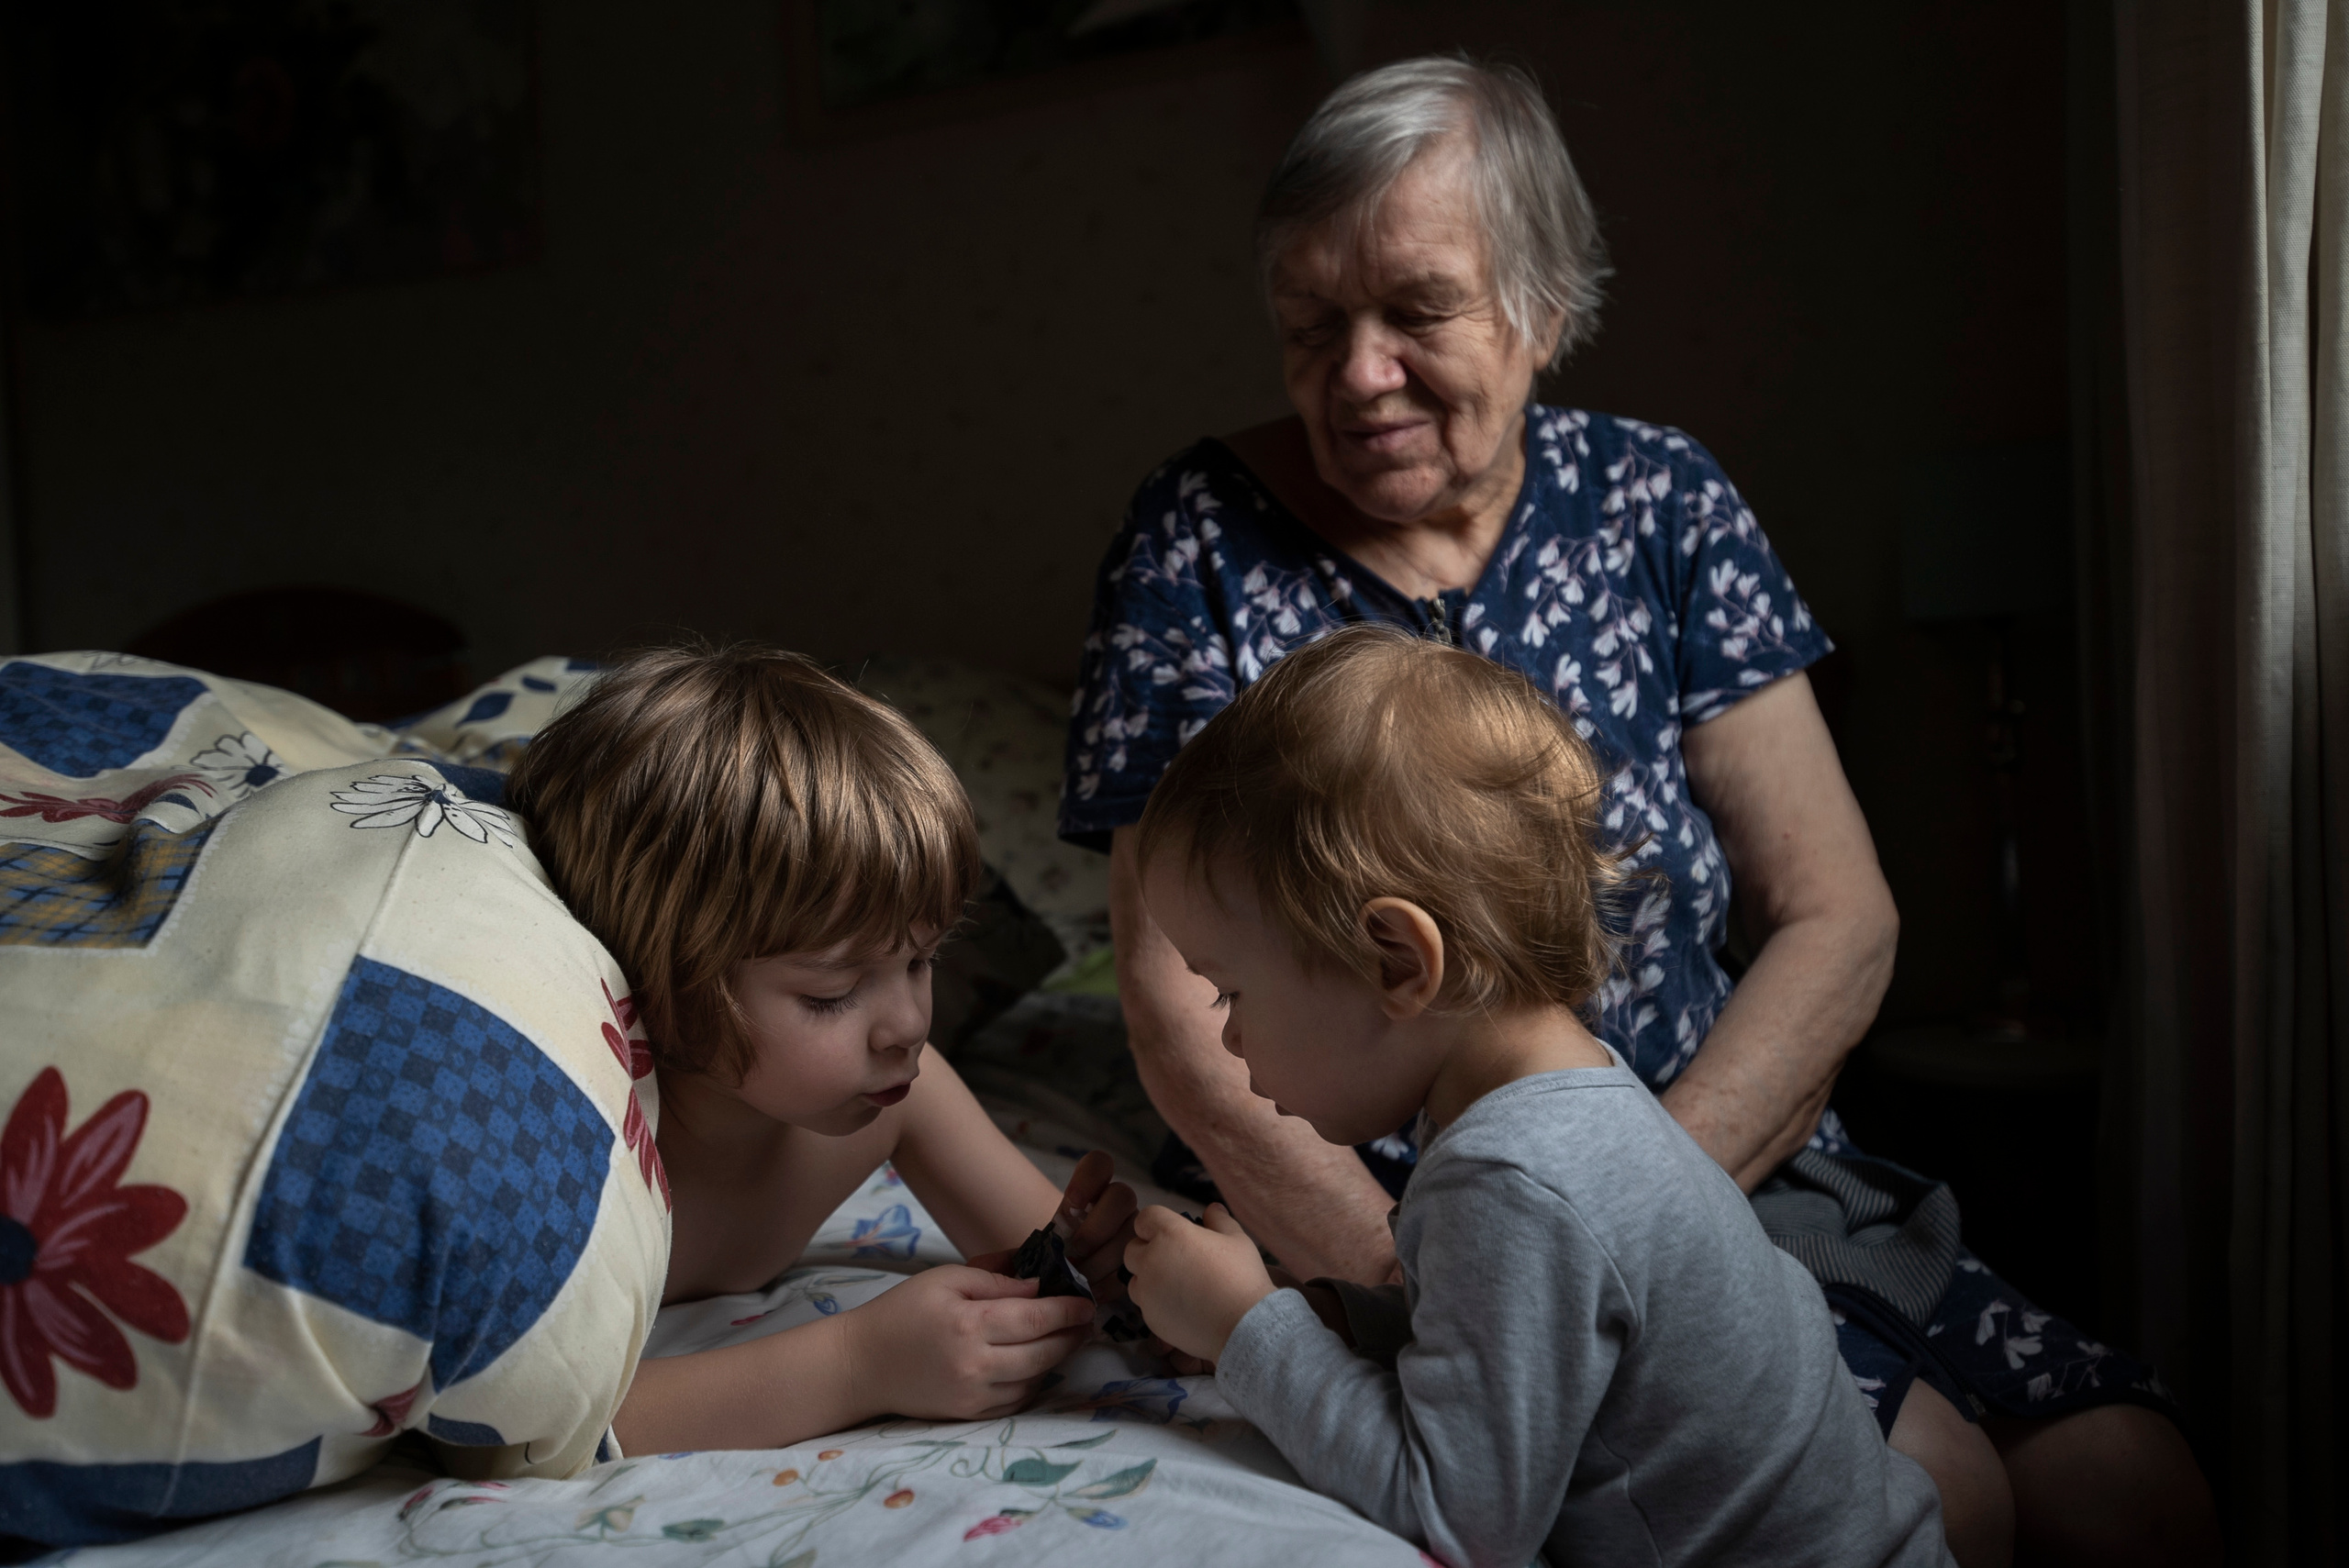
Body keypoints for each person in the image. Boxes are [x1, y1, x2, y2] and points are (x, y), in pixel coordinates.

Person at [1061, 53, 2219, 1568]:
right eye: (1309, 323)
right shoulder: (1197, 534)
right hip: (1372, 1186)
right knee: (1954, 1495)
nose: (1357, 372)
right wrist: (1428, 1276)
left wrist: (1643, 1201)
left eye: (1415, 311)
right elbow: (1174, 1002)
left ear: (1543, 309)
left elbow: (1838, 912)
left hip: (1719, 1156)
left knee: (2139, 1488)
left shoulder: (1662, 500)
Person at [1119, 628, 1953, 1568]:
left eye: (1231, 990)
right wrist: (1336, 1319)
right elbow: (1524, 1349)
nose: (1223, 1036)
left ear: (1397, 960)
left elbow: (1458, 1512)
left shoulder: (1512, 1178)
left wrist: (1245, 1327)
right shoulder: (1571, 1095)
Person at [507, 643, 1133, 1454]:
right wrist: (858, 1363)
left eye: (922, 959)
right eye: (832, 992)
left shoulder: (900, 1098)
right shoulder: (582, 1158)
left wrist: (1111, 1267)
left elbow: (1061, 1267)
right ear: (662, 986)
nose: (907, 1024)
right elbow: (524, 1427)